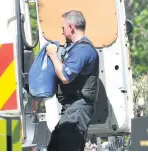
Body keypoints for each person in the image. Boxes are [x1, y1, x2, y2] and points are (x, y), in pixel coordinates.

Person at [45, 10, 99, 150]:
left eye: (63, 27)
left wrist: (52, 55)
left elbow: (65, 76)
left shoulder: (83, 50)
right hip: (71, 109)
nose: (62, 31)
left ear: (71, 27)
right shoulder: (75, 49)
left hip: (77, 109)